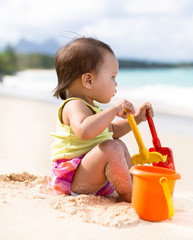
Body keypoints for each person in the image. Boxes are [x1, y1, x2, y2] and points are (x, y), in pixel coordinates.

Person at [48, 37, 153, 202]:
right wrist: (113, 111)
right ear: (88, 80)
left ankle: (135, 184)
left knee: (117, 144)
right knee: (111, 147)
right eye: (112, 77)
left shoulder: (93, 109)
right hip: (72, 179)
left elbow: (114, 131)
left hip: (89, 174)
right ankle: (128, 195)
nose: (116, 84)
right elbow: (84, 130)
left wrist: (138, 118)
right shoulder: (74, 105)